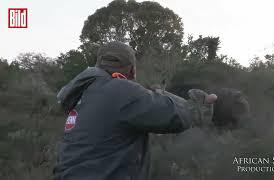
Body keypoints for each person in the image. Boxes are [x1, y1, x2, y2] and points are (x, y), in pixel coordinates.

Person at [53, 41, 217, 180]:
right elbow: (173, 116)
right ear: (132, 70)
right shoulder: (120, 89)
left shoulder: (83, 91)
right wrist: (199, 107)